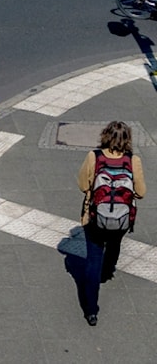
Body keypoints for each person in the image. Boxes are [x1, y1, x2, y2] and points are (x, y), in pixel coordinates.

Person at [76, 120, 146, 326]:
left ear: (105, 135)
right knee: (114, 244)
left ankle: (91, 310)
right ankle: (107, 272)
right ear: (128, 139)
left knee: (93, 259)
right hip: (122, 220)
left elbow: (82, 184)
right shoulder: (133, 160)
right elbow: (141, 192)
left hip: (95, 218)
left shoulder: (94, 157)